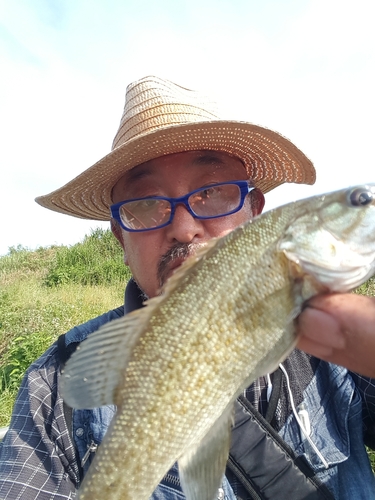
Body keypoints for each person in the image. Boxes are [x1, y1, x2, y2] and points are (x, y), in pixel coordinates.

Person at [0, 76, 374, 500]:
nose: (183, 228)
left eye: (213, 193)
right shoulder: (52, 388)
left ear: (254, 212)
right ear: (121, 239)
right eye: (144, 205)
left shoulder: (345, 347)